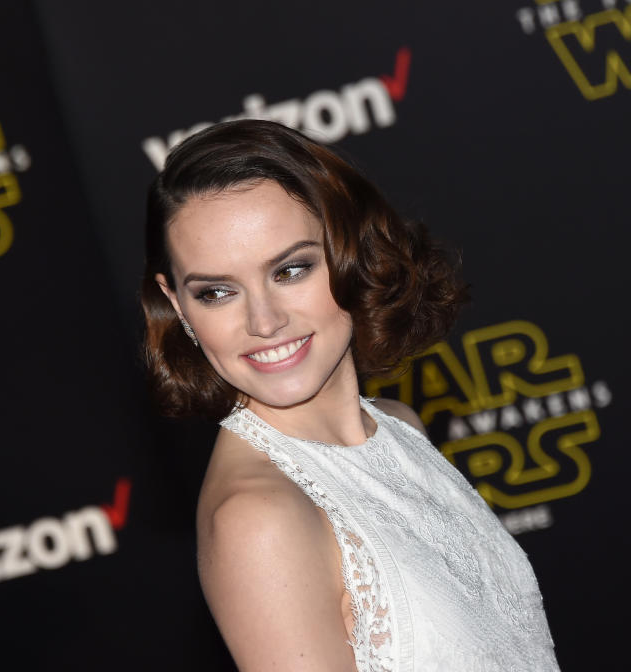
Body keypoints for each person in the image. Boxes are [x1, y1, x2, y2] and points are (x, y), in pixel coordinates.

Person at [141, 119, 559, 671]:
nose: (264, 321)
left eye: (291, 270)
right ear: (177, 302)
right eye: (217, 292)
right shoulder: (258, 518)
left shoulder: (398, 425)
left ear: (350, 253)